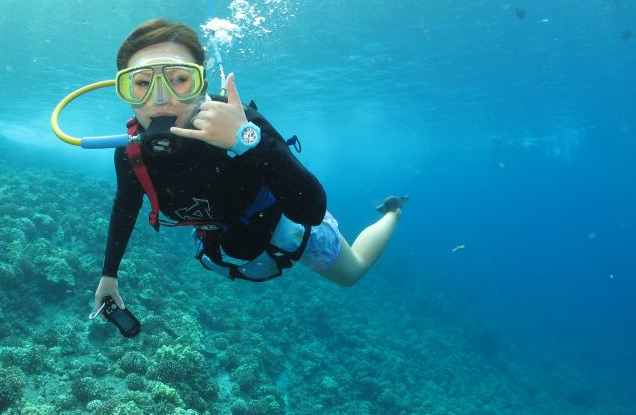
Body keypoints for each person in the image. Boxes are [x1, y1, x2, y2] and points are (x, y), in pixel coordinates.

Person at [93, 18, 408, 315]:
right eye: (142, 83)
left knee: (352, 272)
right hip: (224, 233)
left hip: (286, 224)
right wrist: (109, 275)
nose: (160, 99)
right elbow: (126, 205)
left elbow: (310, 211)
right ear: (126, 92)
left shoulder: (241, 124)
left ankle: (393, 210)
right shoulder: (132, 152)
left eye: (180, 80)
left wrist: (248, 141)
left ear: (201, 83)